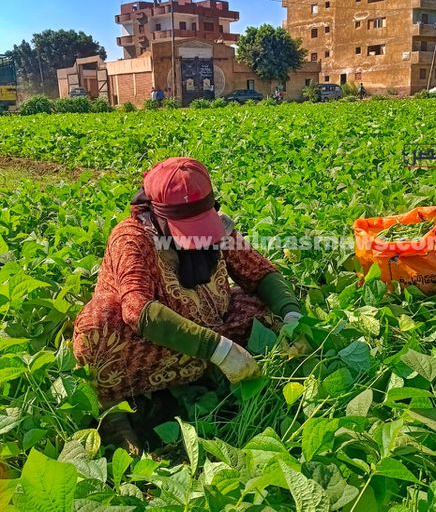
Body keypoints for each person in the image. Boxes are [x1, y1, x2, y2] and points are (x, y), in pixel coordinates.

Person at [73, 157, 301, 451]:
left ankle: (209, 382)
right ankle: (114, 412)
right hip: (149, 344)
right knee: (97, 325)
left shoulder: (219, 229)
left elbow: (260, 271)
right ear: (158, 214)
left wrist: (293, 315)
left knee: (268, 310)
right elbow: (138, 310)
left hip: (212, 327)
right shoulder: (132, 238)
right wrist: (219, 350)